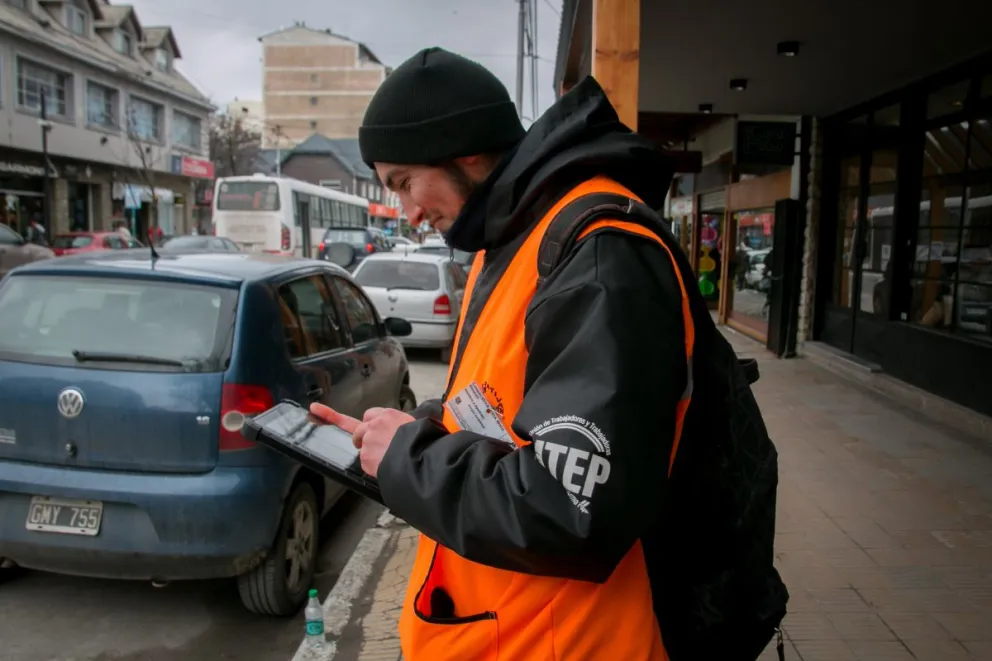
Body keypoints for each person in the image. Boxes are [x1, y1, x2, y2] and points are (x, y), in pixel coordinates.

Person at [310, 48, 785, 661]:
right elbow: (509, 400)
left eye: (404, 182)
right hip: (515, 629)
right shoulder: (512, 238)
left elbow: (572, 506)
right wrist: (421, 428)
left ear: (465, 151)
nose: (409, 212)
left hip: (585, 642)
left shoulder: (597, 256)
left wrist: (412, 459)